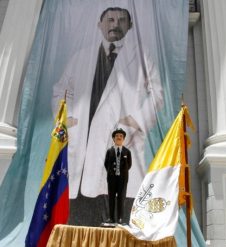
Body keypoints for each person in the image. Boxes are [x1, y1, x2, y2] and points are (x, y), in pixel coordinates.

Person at [52, 6, 163, 202]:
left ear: (130, 25)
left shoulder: (141, 57)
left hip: (120, 136)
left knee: (113, 197)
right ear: (99, 25)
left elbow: (157, 94)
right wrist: (65, 118)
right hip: (82, 136)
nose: (115, 24)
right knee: (80, 198)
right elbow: (60, 90)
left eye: (121, 20)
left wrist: (136, 121)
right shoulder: (81, 56)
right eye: (110, 20)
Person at [104, 128, 131, 224]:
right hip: (112, 179)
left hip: (122, 179)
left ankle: (120, 218)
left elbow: (129, 165)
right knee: (111, 198)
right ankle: (111, 218)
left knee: (121, 198)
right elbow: (106, 164)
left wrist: (122, 173)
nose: (119, 137)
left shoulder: (127, 152)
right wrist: (111, 173)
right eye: (117, 136)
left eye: (121, 136)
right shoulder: (109, 151)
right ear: (113, 139)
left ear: (123, 139)